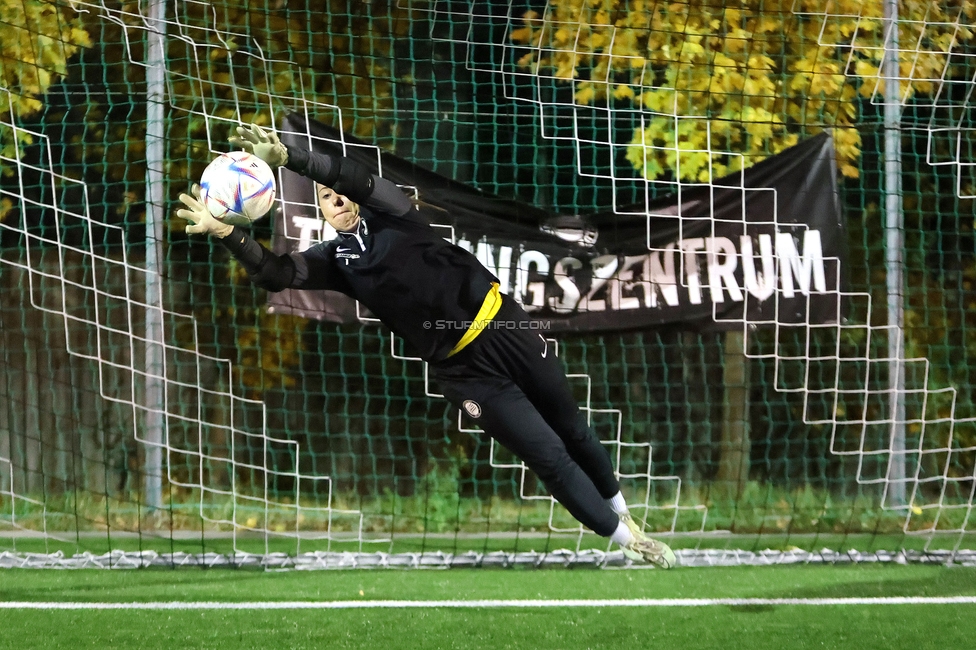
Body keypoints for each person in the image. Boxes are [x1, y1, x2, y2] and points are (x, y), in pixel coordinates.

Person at [176, 123, 676, 569]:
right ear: (324, 214)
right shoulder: (337, 260)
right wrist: (226, 233)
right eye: (328, 199)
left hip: (504, 328)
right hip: (466, 374)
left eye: (341, 195)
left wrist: (294, 159)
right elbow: (276, 273)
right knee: (546, 455)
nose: (340, 200)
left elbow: (357, 177)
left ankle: (621, 511)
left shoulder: (396, 214)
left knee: (571, 427)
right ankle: (625, 539)